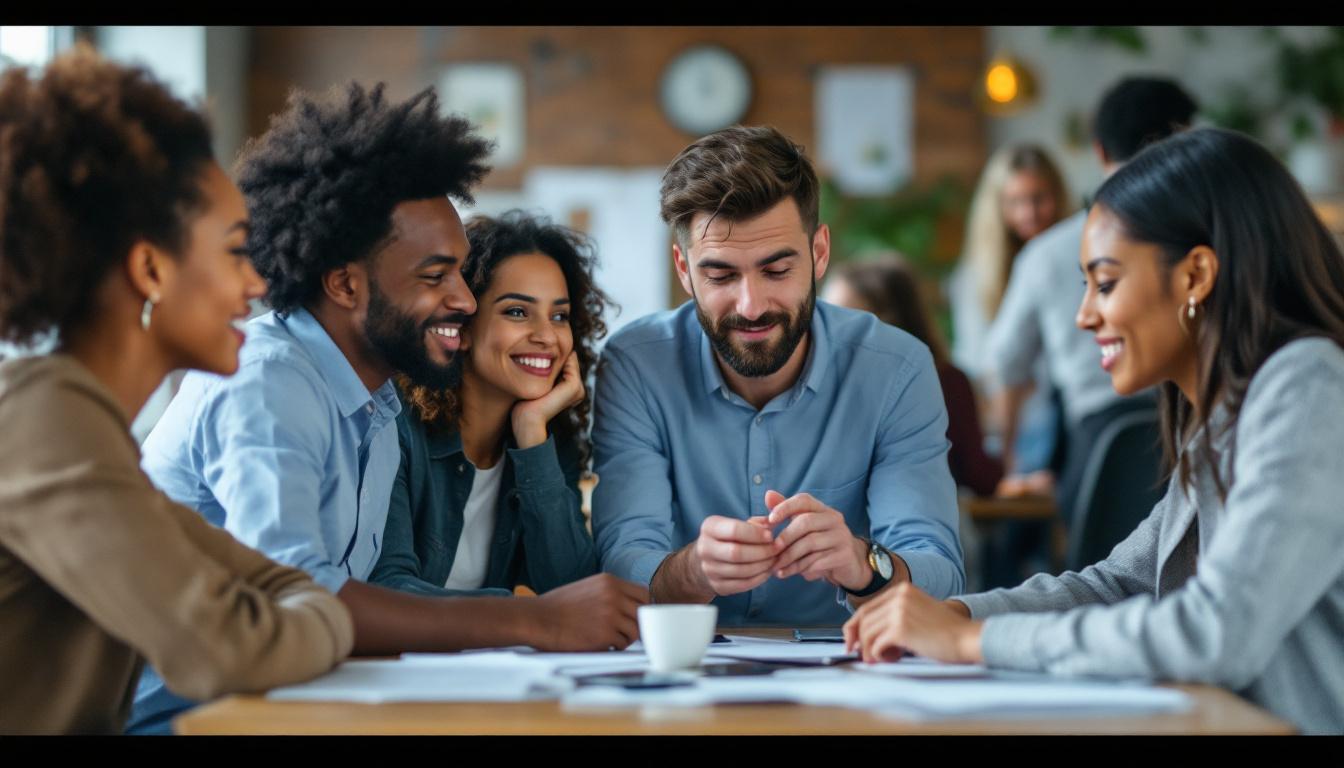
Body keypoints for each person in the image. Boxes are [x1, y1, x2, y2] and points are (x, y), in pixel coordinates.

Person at [129, 82, 646, 734]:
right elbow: (299, 599)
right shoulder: (268, 383)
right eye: (435, 277)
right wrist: (531, 618)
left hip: (280, 702)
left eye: (461, 271)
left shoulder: (372, 400)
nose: (464, 298)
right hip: (182, 718)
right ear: (346, 283)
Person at [844, 127, 1344, 736]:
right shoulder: (1217, 419)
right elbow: (1119, 583)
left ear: (1196, 275)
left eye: (1105, 283)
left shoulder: (1308, 386)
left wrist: (974, 640)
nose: (1084, 316)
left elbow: (1218, 632)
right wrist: (947, 612)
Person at [0, 49, 353, 734]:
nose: (256, 285)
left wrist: (309, 614)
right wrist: (323, 620)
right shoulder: (48, 419)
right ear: (150, 268)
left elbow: (285, 590)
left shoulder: (93, 433)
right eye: (233, 251)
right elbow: (227, 651)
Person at [592, 125, 964, 626]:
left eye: (777, 270)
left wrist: (862, 564)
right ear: (684, 270)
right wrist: (692, 570)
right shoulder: (636, 365)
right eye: (721, 275)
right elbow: (621, 559)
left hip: (850, 669)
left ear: (819, 253)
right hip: (689, 666)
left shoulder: (898, 369)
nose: (751, 306)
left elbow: (938, 567)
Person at [987, 77, 1197, 518]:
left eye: (1103, 284)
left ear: (1099, 150)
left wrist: (1005, 464)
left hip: (1098, 442)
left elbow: (1006, 362)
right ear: (1184, 143)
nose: (1088, 316)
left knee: (1095, 582)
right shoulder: (1203, 235)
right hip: (1187, 432)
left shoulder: (1048, 252)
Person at [370, 211, 609, 596]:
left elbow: (571, 588)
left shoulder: (545, 438)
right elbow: (390, 587)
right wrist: (522, 615)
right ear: (462, 326)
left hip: (482, 655)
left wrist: (532, 433)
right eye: (517, 312)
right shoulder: (395, 423)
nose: (547, 336)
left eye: (560, 315)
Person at [823, 255, 1002, 496]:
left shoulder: (943, 383)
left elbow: (977, 474)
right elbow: (980, 474)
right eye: (825, 315)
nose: (829, 330)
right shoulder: (813, 386)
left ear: (889, 324)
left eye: (845, 319)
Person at [948, 144, 1072, 478]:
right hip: (1004, 424)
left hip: (1064, 419)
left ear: (1057, 196)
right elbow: (981, 363)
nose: (1028, 212)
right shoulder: (976, 276)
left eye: (1038, 198)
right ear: (997, 207)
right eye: (1015, 202)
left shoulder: (1073, 258)